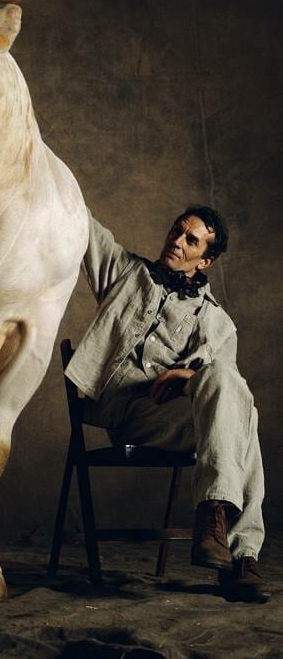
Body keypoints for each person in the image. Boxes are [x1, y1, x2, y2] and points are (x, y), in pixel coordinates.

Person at [65, 205, 269, 603]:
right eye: (177, 231)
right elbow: (83, 224)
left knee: (237, 405)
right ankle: (240, 553)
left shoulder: (217, 323)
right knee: (245, 419)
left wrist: (190, 377)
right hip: (129, 414)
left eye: (190, 240)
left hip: (179, 425)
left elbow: (225, 389)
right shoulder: (125, 273)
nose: (176, 241)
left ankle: (221, 528)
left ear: (205, 259)